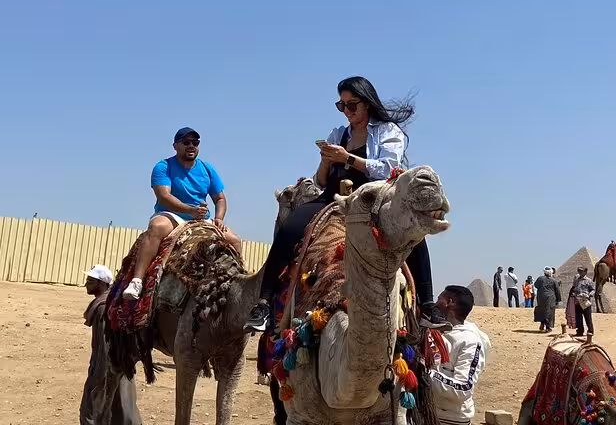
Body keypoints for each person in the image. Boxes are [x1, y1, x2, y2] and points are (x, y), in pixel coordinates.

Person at [244, 76, 450, 333]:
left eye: (352, 105)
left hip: (372, 197)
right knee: (289, 229)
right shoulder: (338, 134)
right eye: (342, 106)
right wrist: (326, 162)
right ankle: (263, 304)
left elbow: (388, 168)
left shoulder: (387, 132)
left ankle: (427, 306)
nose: (347, 112)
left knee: (414, 232)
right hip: (332, 195)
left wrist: (348, 158)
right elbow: (320, 181)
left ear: (368, 103)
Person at [123, 127, 244, 300]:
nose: (191, 146)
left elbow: (220, 198)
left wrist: (218, 218)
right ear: (175, 146)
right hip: (172, 215)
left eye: (195, 143)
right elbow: (163, 196)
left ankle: (237, 284)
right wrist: (189, 210)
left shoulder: (207, 169)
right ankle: (137, 281)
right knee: (156, 227)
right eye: (186, 142)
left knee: (234, 240)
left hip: (201, 219)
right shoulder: (164, 167)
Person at [80, 265, 142, 425]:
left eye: (90, 281)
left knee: (96, 412)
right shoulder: (110, 303)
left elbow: (105, 351)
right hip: (121, 367)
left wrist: (98, 378)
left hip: (107, 370)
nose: (86, 284)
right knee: (123, 410)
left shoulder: (102, 309)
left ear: (102, 284)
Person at [431, 285, 491, 425]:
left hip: (451, 418)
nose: (435, 303)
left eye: (439, 298)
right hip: (432, 412)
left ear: (450, 302)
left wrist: (427, 374)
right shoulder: (439, 331)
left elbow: (463, 389)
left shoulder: (470, 341)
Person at [570, 266, 595, 337]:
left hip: (585, 301)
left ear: (585, 272)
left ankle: (590, 331)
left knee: (588, 317)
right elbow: (574, 288)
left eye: (581, 271)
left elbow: (593, 289)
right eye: (579, 271)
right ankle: (580, 331)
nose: (579, 272)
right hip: (577, 302)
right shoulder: (576, 280)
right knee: (578, 318)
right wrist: (573, 293)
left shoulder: (589, 280)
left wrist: (589, 295)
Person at [534, 267, 561, 332]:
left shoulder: (540, 278)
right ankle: (548, 327)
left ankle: (542, 324)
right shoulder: (554, 280)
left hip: (541, 297)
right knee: (549, 312)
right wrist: (558, 299)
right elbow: (557, 290)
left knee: (542, 310)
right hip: (550, 297)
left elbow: (536, 285)